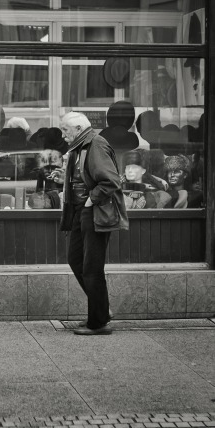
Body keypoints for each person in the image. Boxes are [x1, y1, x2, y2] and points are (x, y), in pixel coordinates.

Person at [54, 112, 128, 335]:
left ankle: (98, 323)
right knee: (76, 259)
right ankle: (101, 310)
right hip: (81, 212)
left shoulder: (95, 144)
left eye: (65, 130)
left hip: (94, 212)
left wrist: (90, 200)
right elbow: (85, 176)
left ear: (78, 128)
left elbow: (111, 180)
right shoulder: (81, 145)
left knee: (91, 267)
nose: (63, 135)